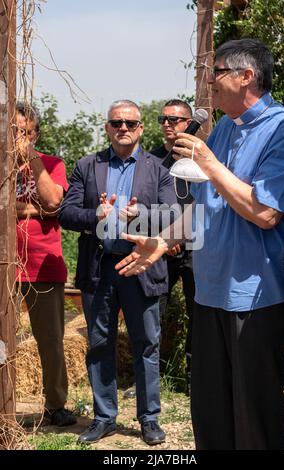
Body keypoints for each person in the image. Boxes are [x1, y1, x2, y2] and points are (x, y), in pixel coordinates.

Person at [115, 39, 284, 450]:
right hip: (211, 293)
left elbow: (266, 212)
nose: (208, 81)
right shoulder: (221, 134)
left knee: (254, 418)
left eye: (215, 72)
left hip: (257, 297)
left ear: (246, 76)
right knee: (211, 416)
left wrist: (209, 163)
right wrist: (161, 241)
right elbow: (203, 209)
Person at [59, 100, 178, 445]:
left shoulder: (159, 169)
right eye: (116, 122)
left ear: (141, 128)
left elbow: (173, 216)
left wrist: (142, 215)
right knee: (99, 344)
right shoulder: (87, 165)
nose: (123, 128)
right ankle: (103, 417)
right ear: (108, 128)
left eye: (130, 123)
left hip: (142, 267)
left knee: (146, 344)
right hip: (100, 268)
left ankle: (149, 418)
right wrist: (96, 214)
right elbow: (67, 213)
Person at [123, 99, 195, 400]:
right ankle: (144, 381)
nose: (168, 124)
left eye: (175, 119)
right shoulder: (151, 163)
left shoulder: (202, 159)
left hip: (194, 249)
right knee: (151, 315)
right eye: (163, 119)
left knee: (198, 315)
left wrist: (180, 235)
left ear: (189, 123)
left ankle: (194, 377)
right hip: (160, 250)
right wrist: (162, 238)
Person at [16, 102, 76, 427]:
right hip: (5, 266)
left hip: (42, 266)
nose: (18, 138)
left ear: (35, 133)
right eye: (13, 131)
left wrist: (31, 157)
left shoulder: (52, 164)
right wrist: (33, 210)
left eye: (25, 132)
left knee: (51, 339)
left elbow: (54, 202)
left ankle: (55, 405)